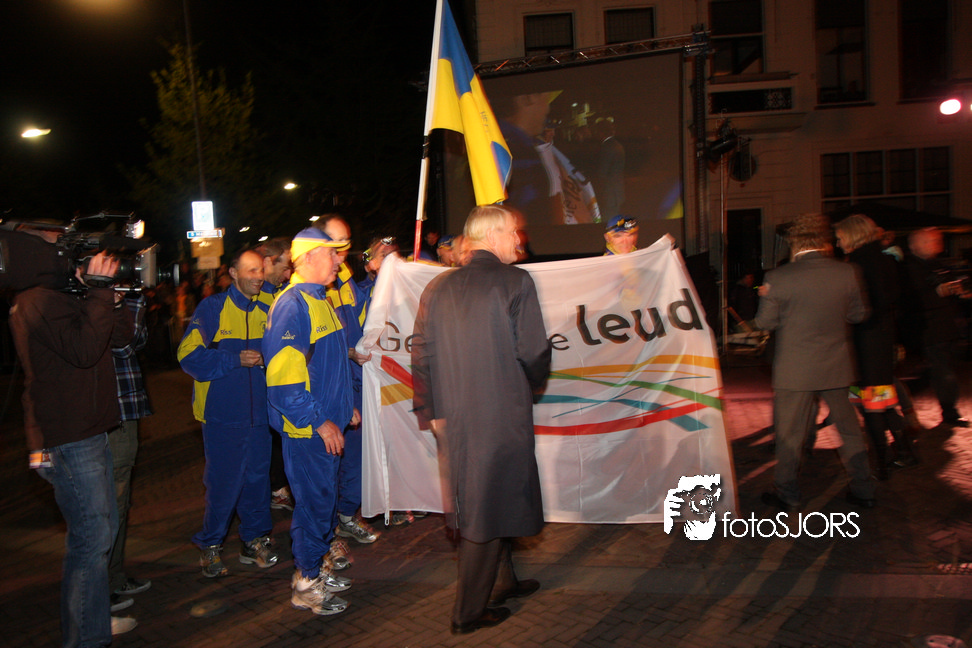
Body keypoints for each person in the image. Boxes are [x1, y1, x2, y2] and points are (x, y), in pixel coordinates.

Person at [411, 205, 552, 634]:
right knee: (484, 510)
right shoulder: (515, 281)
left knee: (494, 497)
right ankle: (468, 613)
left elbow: (420, 352)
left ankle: (504, 581)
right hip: (499, 415)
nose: (518, 240)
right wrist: (531, 383)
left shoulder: (437, 286)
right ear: (492, 235)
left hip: (454, 418)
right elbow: (534, 351)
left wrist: (431, 411)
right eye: (512, 232)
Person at [11, 250, 138, 646]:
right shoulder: (38, 300)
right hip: (68, 437)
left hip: (91, 431)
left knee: (100, 534)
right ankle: (86, 637)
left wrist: (110, 298)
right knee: (90, 538)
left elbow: (122, 338)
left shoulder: (76, 298)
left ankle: (91, 621)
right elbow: (83, 352)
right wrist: (98, 293)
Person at [264, 227, 357, 616]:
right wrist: (320, 420)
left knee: (324, 504)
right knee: (313, 507)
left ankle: (317, 568)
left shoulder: (320, 299)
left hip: (325, 429)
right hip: (307, 432)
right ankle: (307, 583)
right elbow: (284, 383)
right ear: (307, 259)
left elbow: (326, 367)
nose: (338, 260)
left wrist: (345, 408)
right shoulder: (293, 306)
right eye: (331, 254)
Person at [755, 213, 877, 510]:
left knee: (790, 434)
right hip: (836, 367)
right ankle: (864, 489)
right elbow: (858, 315)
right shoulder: (847, 272)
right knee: (849, 429)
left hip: (795, 370)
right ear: (823, 241)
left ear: (794, 242)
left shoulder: (778, 278)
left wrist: (766, 296)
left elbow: (765, 323)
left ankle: (787, 491)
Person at [177, 249, 278, 577]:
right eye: (250, 271)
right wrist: (234, 360)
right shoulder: (213, 308)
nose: (257, 277)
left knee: (258, 480)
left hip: (261, 415)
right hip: (221, 416)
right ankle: (210, 544)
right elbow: (187, 355)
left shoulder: (270, 305)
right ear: (233, 273)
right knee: (223, 483)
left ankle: (254, 540)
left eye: (260, 270)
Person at [834, 215, 917, 477]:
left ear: (852, 235)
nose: (838, 243)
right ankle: (902, 451)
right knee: (880, 401)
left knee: (869, 405)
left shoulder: (859, 264)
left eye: (840, 237)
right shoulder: (884, 259)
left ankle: (880, 461)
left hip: (865, 346)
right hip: (879, 342)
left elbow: (864, 306)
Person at [321, 215, 380, 551]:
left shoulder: (343, 278)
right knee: (326, 469)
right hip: (327, 393)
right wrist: (347, 352)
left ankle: (345, 516)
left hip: (353, 384)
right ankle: (324, 537)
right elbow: (312, 350)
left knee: (353, 460)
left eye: (345, 243)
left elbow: (363, 322)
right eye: (335, 242)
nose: (341, 251)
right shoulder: (306, 288)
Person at [108, 293, 153, 612]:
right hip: (106, 411)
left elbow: (134, 341)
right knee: (108, 503)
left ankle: (113, 577)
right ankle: (100, 589)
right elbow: (123, 345)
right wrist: (109, 302)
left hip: (124, 409)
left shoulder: (128, 298)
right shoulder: (87, 297)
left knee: (119, 502)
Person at [497, 92, 600, 226]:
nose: (547, 109)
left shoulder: (509, 142)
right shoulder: (519, 150)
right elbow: (533, 215)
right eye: (545, 100)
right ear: (527, 98)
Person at [903, 227, 969, 428]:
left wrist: (955, 291)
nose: (936, 244)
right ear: (916, 245)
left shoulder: (934, 264)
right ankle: (948, 411)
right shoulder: (910, 267)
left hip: (942, 327)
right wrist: (944, 291)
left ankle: (910, 396)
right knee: (942, 371)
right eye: (930, 241)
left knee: (937, 370)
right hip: (930, 328)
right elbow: (918, 297)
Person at [255, 237, 295, 512]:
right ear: (269, 261)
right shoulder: (254, 298)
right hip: (258, 389)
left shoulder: (282, 295)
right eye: (285, 266)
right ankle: (273, 490)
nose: (289, 273)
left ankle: (278, 487)